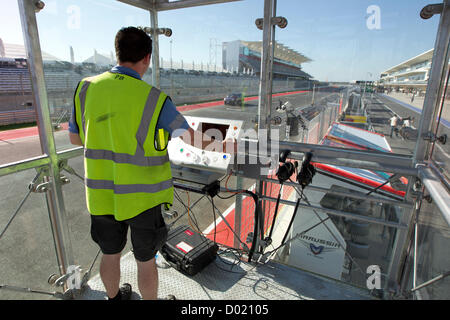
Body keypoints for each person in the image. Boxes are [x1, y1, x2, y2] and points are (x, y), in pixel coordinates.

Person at [68, 27, 234, 300]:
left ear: (117, 52)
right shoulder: (154, 98)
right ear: (147, 58)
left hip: (100, 194)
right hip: (143, 197)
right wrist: (234, 147)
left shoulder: (85, 88)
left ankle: (114, 298)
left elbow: (76, 138)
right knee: (145, 260)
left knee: (110, 253)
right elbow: (192, 138)